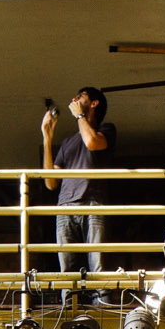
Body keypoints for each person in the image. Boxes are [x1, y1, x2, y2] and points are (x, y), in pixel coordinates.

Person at [41, 86, 115, 283]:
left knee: (98, 267)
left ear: (94, 103)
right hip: (65, 207)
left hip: (93, 204)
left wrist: (80, 116)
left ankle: (102, 301)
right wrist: (47, 139)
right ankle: (68, 302)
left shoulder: (106, 130)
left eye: (81, 96)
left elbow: (92, 142)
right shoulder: (67, 143)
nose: (74, 99)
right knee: (67, 270)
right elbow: (51, 182)